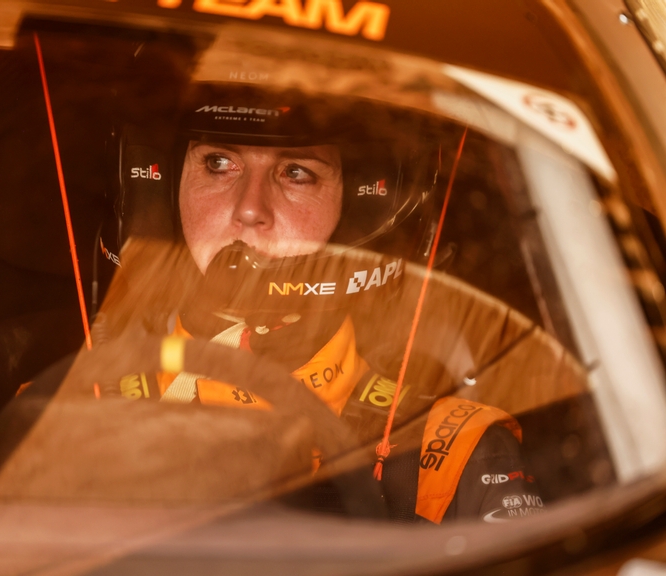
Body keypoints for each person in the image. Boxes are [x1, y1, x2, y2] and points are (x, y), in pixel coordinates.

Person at [91, 82, 545, 524]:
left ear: (354, 212)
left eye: (296, 173)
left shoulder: (449, 451)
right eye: (218, 162)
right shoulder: (66, 416)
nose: (250, 209)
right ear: (167, 188)